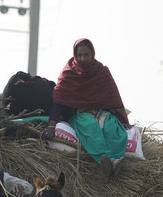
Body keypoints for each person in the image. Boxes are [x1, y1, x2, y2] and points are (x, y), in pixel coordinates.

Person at [44, 38, 131, 183]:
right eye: (79, 55)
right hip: (81, 114)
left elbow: (114, 97)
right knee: (91, 129)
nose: (82, 58)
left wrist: (123, 121)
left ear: (93, 54)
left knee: (113, 128)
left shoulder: (101, 72)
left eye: (86, 55)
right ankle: (104, 160)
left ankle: (116, 161)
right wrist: (51, 125)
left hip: (101, 113)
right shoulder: (69, 73)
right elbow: (58, 100)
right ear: (75, 55)